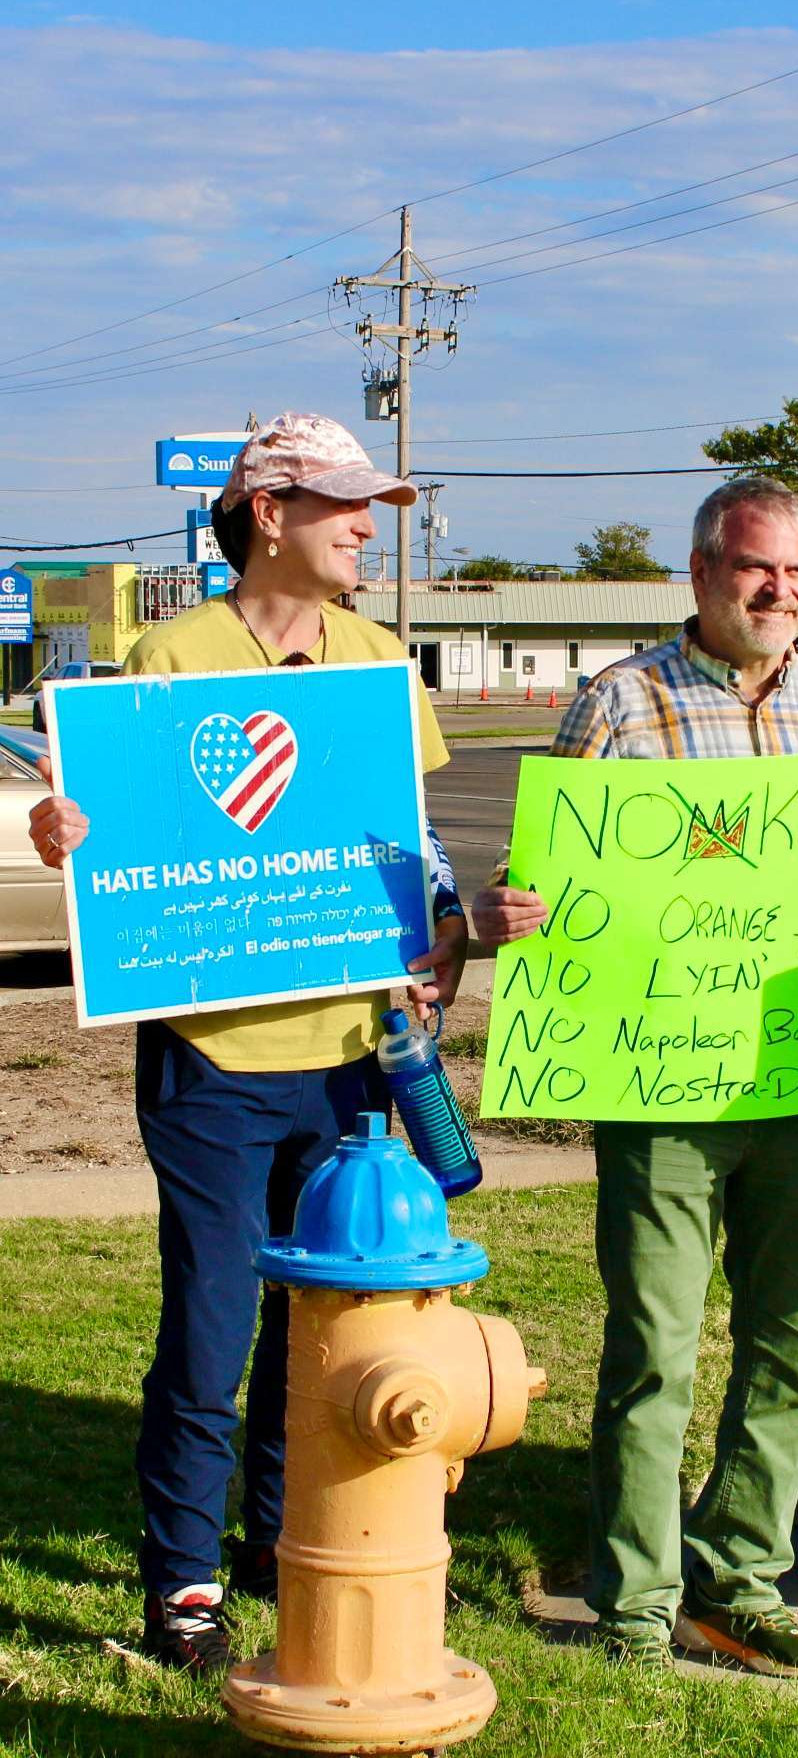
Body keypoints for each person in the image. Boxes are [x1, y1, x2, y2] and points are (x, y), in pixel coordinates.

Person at [469, 475, 798, 1677]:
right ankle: (637, 1597)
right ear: (702, 573)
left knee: (794, 1338)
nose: (781, 591)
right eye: (759, 568)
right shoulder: (620, 702)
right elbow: (554, 882)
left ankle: (741, 1572)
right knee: (656, 1343)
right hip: (661, 1087)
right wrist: (513, 910)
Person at [28, 411, 469, 1672]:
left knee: (317, 1322)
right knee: (212, 1327)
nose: (365, 526)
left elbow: (411, 833)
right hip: (213, 1058)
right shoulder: (173, 650)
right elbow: (118, 824)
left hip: (347, 1055)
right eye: (342, 506)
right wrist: (65, 830)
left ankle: (282, 1538)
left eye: (371, 505)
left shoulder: (379, 656)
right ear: (267, 515)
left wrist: (440, 923)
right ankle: (183, 1587)